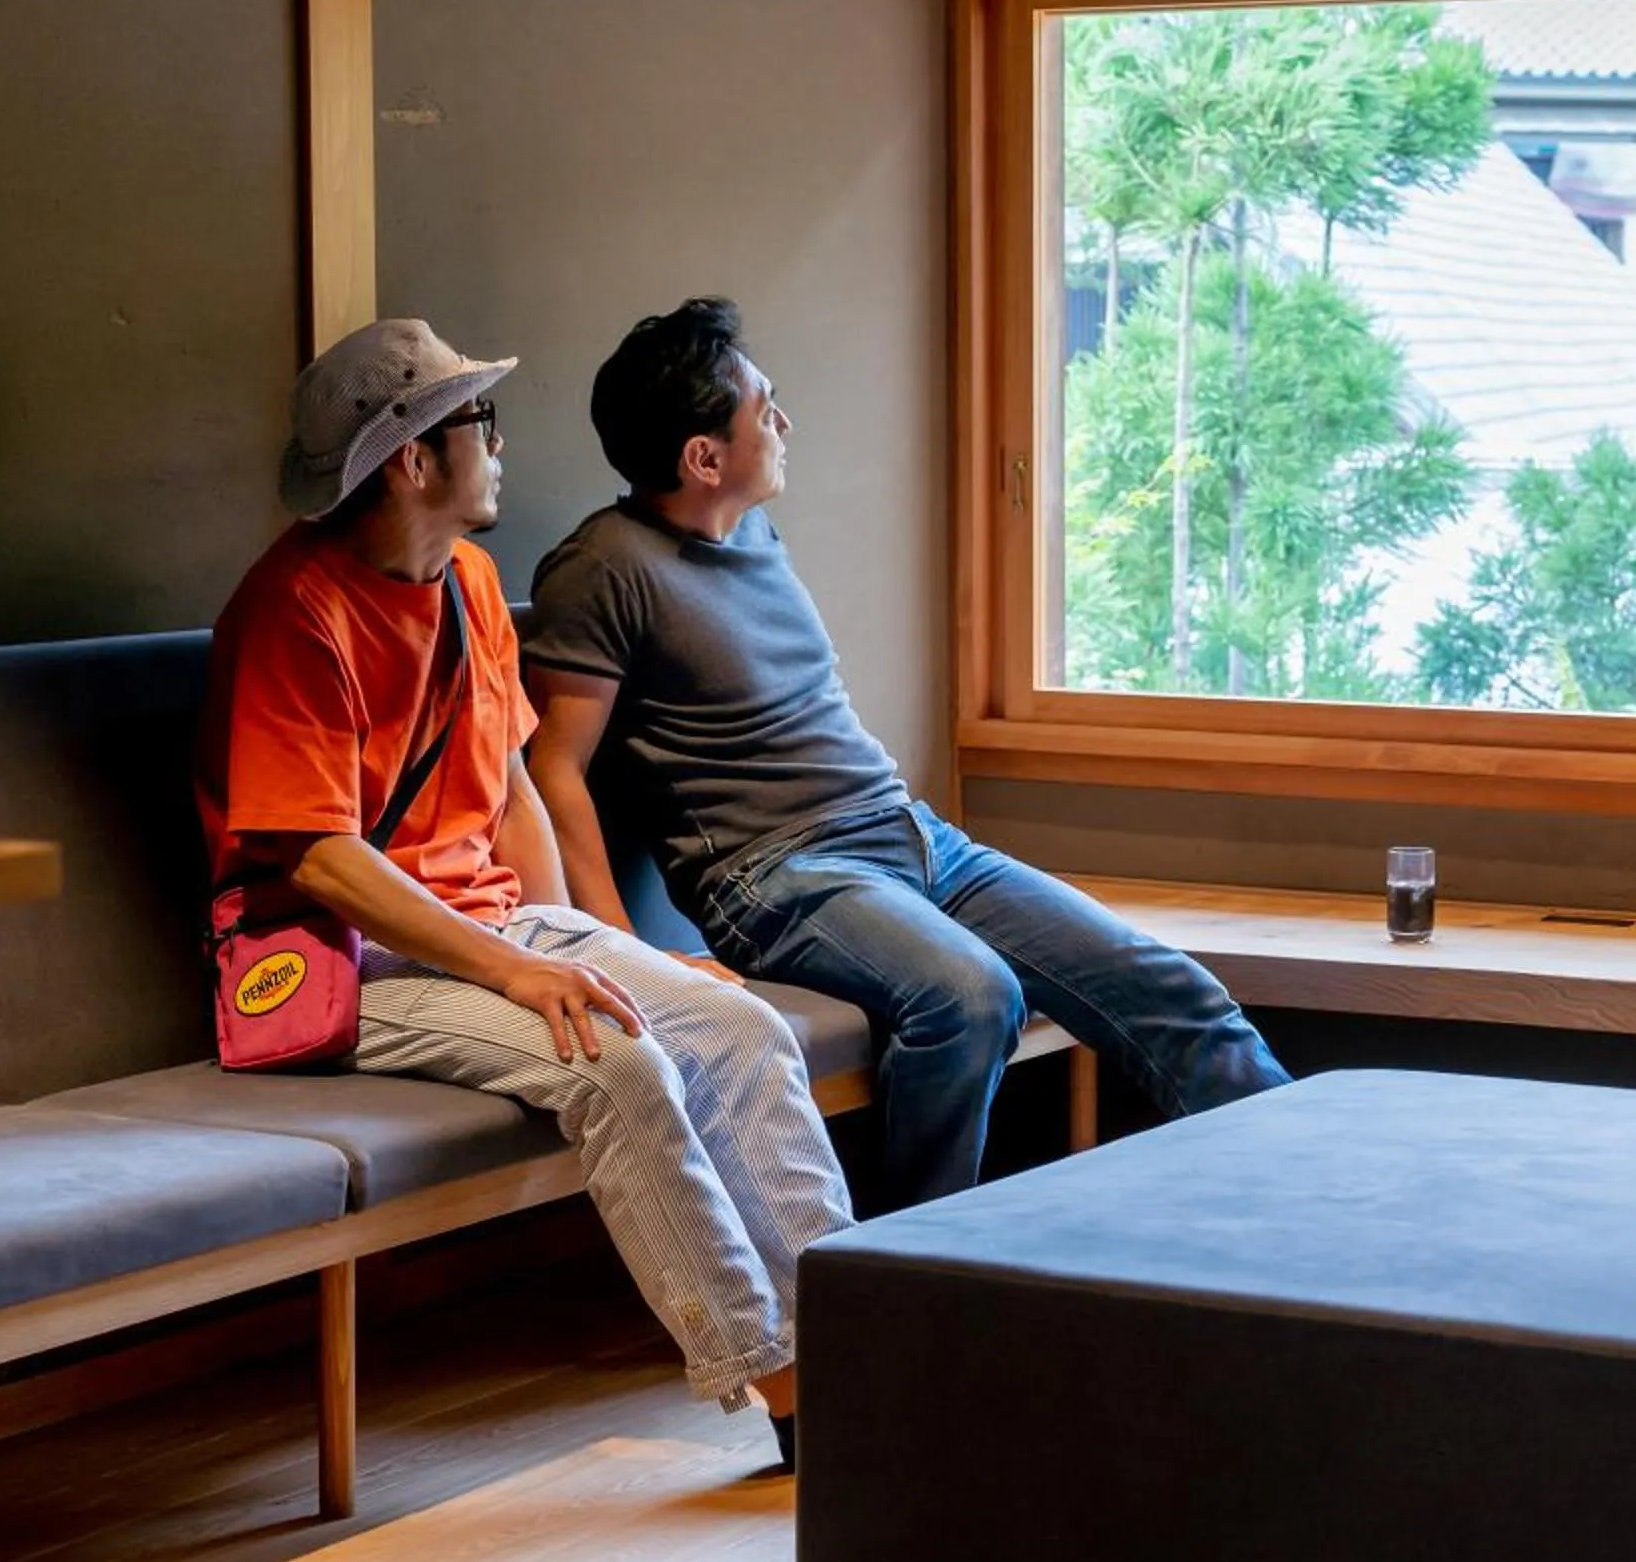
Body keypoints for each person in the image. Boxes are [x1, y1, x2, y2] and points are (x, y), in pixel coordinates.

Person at [197, 318, 851, 1467]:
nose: (500, 445)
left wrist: (604, 945)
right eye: (478, 424)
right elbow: (318, 857)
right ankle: (793, 1391)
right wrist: (520, 967)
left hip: (495, 922)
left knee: (744, 1029)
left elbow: (509, 790)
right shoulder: (291, 612)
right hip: (347, 953)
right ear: (412, 458)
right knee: (624, 1062)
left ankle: (860, 1351)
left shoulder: (470, 582)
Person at [522, 299, 1291, 1208]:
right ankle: (904, 1287)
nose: (783, 423)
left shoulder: (753, 531)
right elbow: (556, 768)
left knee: (1172, 990)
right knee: (969, 999)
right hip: (777, 875)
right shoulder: (600, 568)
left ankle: (1306, 1205)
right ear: (703, 457)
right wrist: (621, 953)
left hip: (911, 837)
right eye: (764, 408)